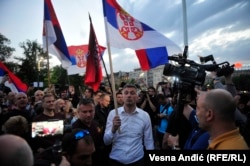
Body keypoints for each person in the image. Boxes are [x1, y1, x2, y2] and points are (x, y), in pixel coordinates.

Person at [104, 84, 154, 165]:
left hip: (137, 159)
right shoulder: (113, 114)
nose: (129, 95)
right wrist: (113, 129)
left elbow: (149, 141)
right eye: (126, 93)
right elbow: (106, 141)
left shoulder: (145, 116)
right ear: (122, 96)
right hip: (116, 159)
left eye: (132, 93)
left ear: (137, 97)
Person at [72, 98, 106, 166]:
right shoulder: (74, 128)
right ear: (78, 112)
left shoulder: (97, 124)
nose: (88, 114)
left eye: (91, 111)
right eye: (84, 112)